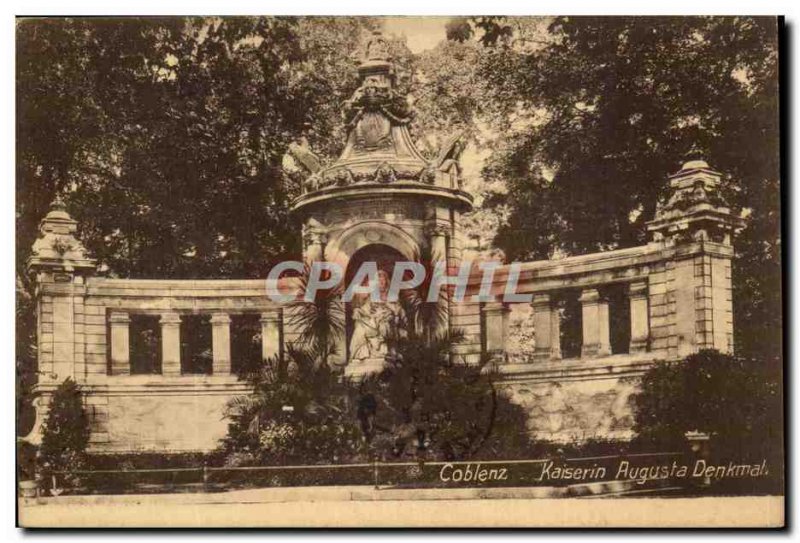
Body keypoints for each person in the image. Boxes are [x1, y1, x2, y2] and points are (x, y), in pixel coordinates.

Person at [349, 269, 406, 366]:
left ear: (386, 282)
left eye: (383, 281)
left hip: (386, 322)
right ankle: (360, 355)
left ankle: (378, 351)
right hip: (373, 321)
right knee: (359, 329)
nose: (381, 283)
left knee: (382, 326)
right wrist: (358, 311)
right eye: (378, 282)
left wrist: (389, 309)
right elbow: (365, 309)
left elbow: (400, 313)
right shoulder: (371, 297)